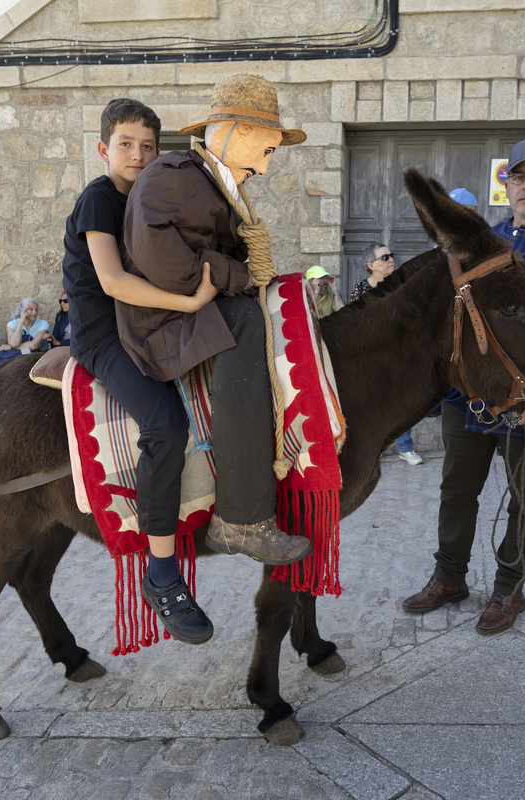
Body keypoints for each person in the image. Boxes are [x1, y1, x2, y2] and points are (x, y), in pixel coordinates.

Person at [402, 137, 525, 634]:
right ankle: (449, 576)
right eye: (518, 177)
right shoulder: (483, 245)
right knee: (456, 490)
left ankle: (509, 588)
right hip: (471, 398)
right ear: (505, 184)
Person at [117, 75, 314, 580]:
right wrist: (236, 273)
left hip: (186, 304)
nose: (266, 166)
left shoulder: (211, 182)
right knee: (247, 321)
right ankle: (241, 518)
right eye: (264, 150)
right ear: (232, 132)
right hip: (162, 319)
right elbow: (159, 258)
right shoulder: (174, 175)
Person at [62, 97, 227, 644]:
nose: (138, 154)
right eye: (127, 144)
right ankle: (160, 572)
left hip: (147, 323)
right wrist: (192, 304)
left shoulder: (154, 197)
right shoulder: (100, 199)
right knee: (164, 424)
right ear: (105, 148)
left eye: (149, 146)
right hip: (105, 334)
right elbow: (110, 281)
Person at [350, 242, 423, 465]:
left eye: (390, 256)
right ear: (370, 265)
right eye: (384, 257)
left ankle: (405, 448)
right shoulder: (361, 291)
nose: (390, 259)